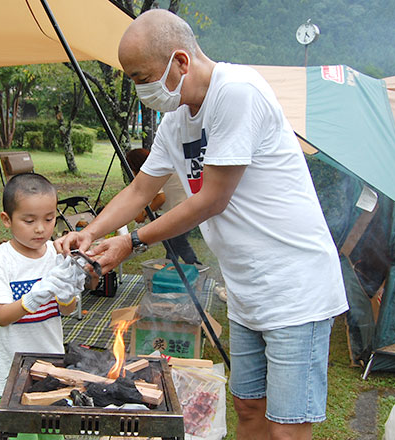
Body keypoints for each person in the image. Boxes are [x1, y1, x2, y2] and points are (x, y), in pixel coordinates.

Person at [55, 9, 348, 440]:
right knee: (248, 408)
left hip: (294, 289)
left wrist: (131, 242)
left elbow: (211, 200)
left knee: (286, 429)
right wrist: (92, 232)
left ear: (181, 62)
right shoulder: (176, 121)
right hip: (248, 291)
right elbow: (140, 191)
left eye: (142, 77)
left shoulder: (237, 93)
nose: (139, 89)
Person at [0, 173, 85, 399]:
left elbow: (66, 310)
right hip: (13, 365)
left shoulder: (56, 254)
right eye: (29, 221)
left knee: (52, 423)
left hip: (51, 360)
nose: (40, 229)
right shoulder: (1, 260)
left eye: (49, 219)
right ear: (7, 220)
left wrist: (68, 295)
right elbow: (1, 316)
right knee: (20, 429)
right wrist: (33, 297)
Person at [125, 148, 201, 265]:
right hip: (186, 207)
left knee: (178, 243)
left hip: (183, 210)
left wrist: (144, 215)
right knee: (172, 243)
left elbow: (161, 198)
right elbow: (164, 194)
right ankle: (170, 268)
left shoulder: (154, 171)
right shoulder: (160, 165)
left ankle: (195, 268)